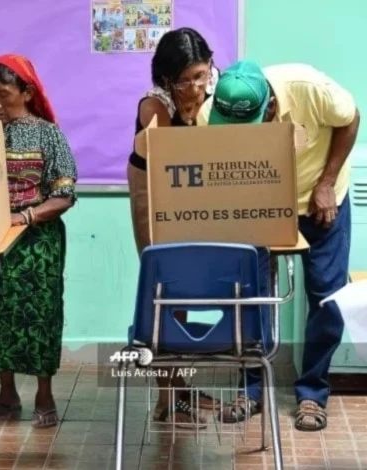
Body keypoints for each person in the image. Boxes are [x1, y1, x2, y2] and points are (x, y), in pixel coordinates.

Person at [199, 60, 360, 431]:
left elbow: (351, 119)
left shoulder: (310, 88)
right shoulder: (211, 114)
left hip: (320, 200)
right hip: (261, 203)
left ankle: (312, 393)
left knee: (328, 296)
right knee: (249, 296)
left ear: (270, 106)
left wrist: (326, 182)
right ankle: (251, 390)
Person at [0, 54, 77, 429]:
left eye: (4, 94)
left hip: (37, 244)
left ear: (26, 93)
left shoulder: (48, 134)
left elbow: (64, 196)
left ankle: (44, 394)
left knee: (38, 316)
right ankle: (6, 394)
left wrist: (23, 216)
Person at [126, 27, 221, 428]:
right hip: (154, 193)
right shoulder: (155, 104)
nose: (196, 87)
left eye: (201, 75)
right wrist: (194, 116)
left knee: (186, 291)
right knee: (165, 289)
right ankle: (168, 397)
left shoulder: (215, 84)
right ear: (167, 78)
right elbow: (173, 158)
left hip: (194, 190)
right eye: (185, 80)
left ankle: (182, 389)